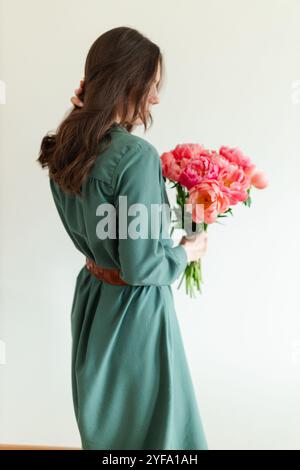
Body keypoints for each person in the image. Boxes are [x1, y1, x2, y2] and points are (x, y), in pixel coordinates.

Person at [37, 26, 208, 450]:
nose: (155, 99)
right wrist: (188, 250)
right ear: (127, 84)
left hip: (94, 298)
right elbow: (143, 265)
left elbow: (116, 228)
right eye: (150, 86)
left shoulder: (67, 145)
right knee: (155, 430)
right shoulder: (134, 156)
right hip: (136, 311)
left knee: (110, 424)